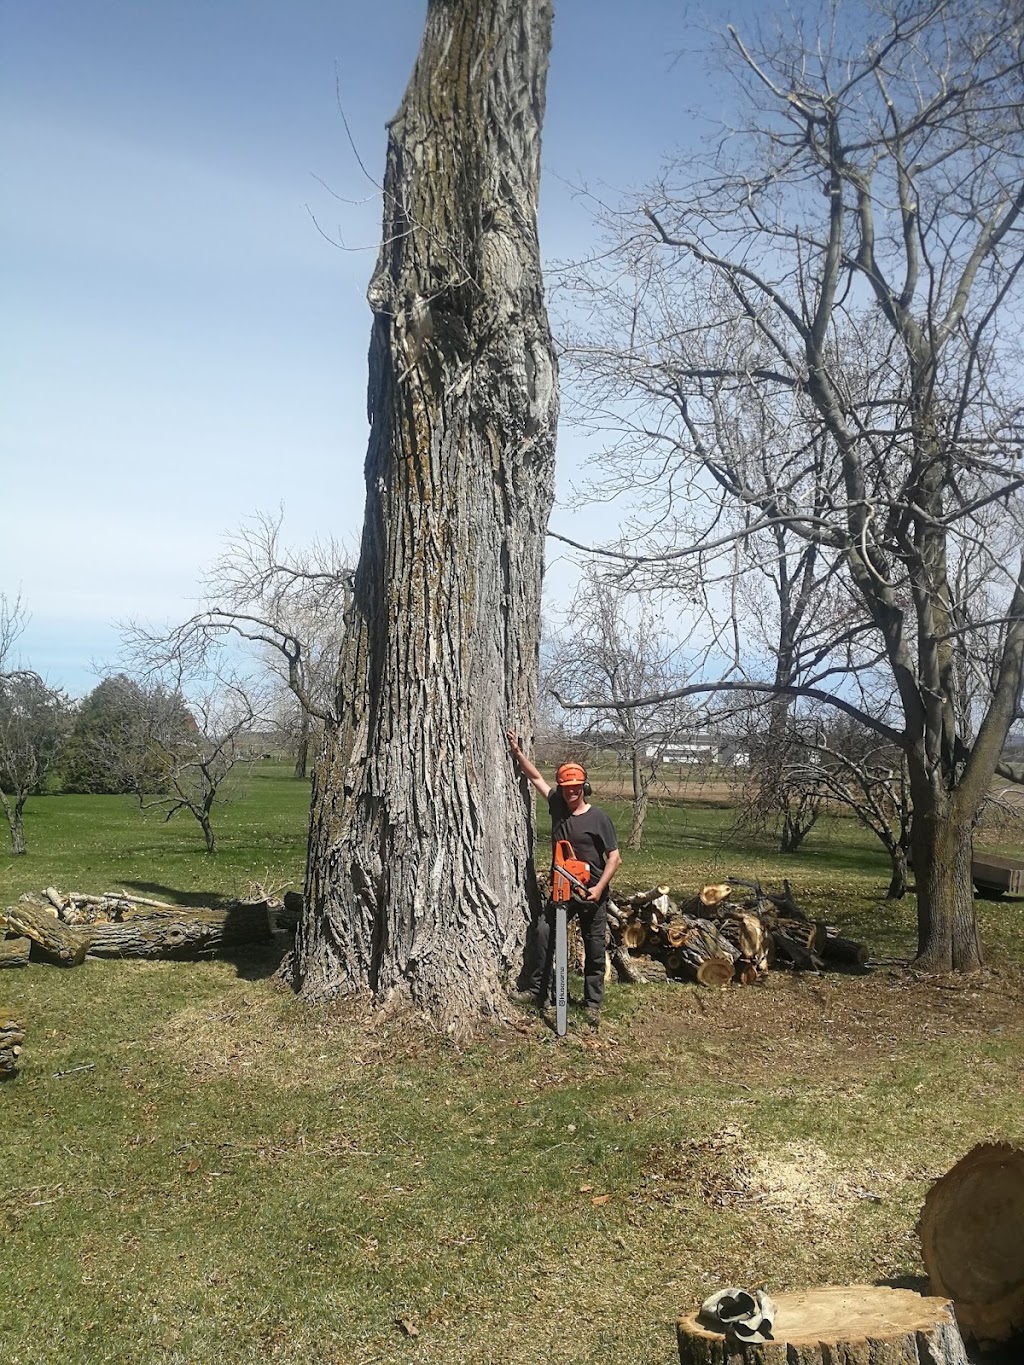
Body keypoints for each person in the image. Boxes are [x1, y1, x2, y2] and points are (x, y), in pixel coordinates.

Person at [507, 729, 622, 1028]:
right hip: (561, 890)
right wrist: (519, 754)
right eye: (566, 787)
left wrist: (598, 888)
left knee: (594, 947)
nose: (571, 791)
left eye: (575, 787)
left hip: (591, 893)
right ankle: (537, 989)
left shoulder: (599, 818)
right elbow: (536, 780)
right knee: (544, 933)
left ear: (584, 787)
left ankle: (593, 1002)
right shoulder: (558, 805)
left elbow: (614, 857)